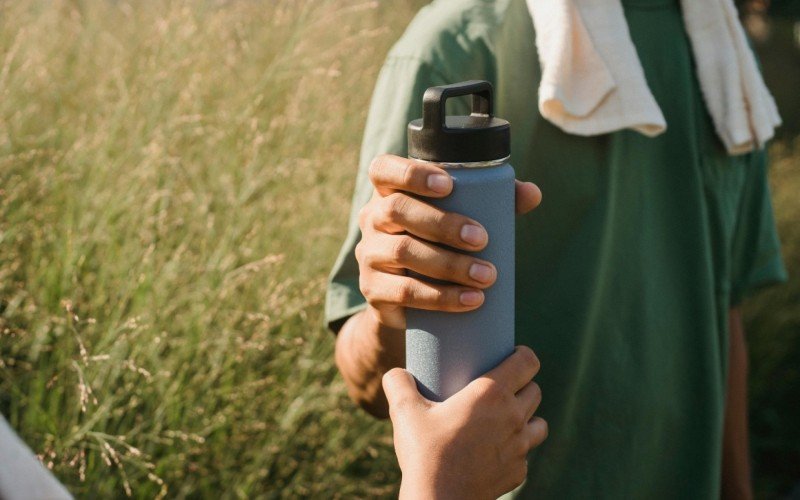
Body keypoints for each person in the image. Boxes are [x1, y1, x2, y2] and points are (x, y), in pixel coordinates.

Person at [326, 0, 788, 497]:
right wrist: (393, 314)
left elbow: (723, 312)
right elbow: (371, 385)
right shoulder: (461, 43)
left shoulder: (723, 51)